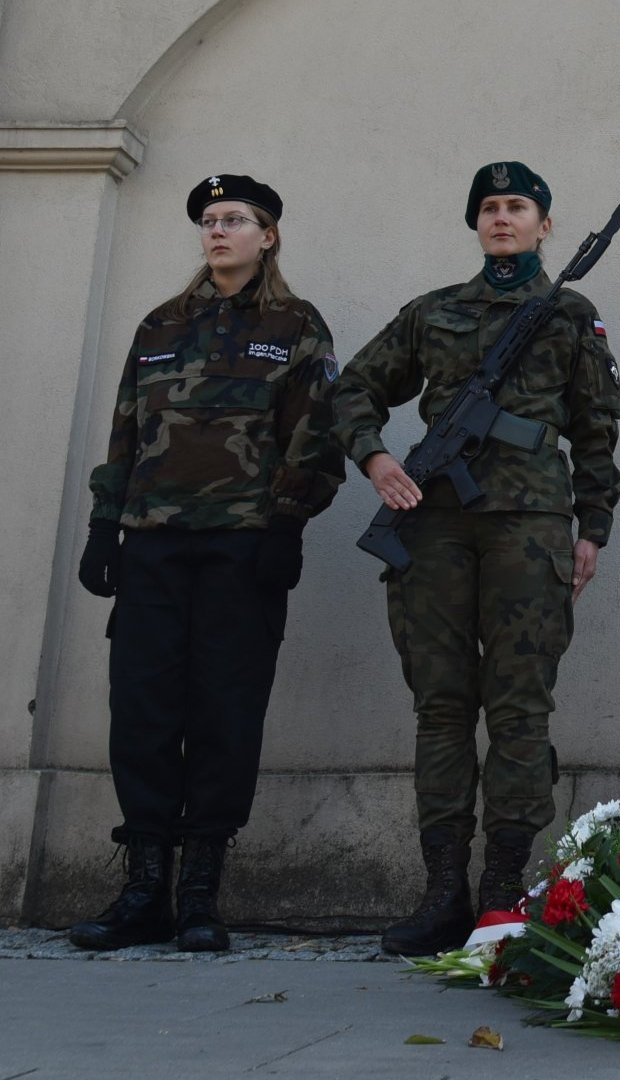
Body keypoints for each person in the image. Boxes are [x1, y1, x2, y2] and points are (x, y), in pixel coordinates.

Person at [333, 161, 620, 955]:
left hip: (529, 527)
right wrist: (376, 460)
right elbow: (353, 389)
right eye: (490, 208)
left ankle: (502, 890)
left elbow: (596, 428)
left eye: (518, 207)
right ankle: (440, 893)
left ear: (544, 225)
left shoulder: (569, 313)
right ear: (477, 224)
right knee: (441, 707)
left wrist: (591, 526)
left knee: (521, 710)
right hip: (431, 527)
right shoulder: (434, 313)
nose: (503, 219)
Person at [71, 174, 343, 952]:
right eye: (210, 220)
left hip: (241, 548)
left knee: (224, 715)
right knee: (144, 713)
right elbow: (125, 428)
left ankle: (199, 895)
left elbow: (315, 435)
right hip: (153, 543)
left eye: (236, 220)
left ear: (269, 236)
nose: (218, 231)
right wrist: (103, 525)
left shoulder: (295, 325)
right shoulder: (160, 323)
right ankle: (143, 890)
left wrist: (287, 525)